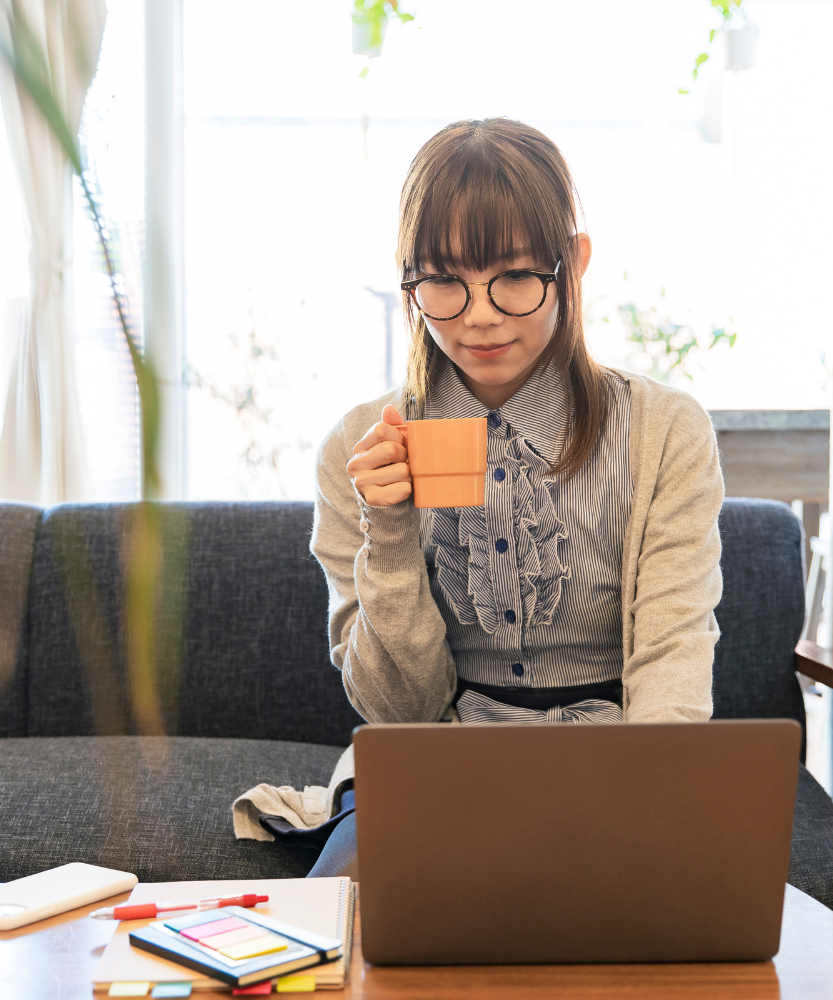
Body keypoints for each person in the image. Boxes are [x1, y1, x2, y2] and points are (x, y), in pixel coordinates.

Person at [306, 118, 724, 878]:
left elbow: (673, 654)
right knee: (352, 926)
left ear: (574, 264)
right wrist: (390, 533)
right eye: (443, 280)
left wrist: (661, 804)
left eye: (515, 276)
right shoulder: (359, 447)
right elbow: (395, 712)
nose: (478, 314)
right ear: (409, 281)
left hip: (618, 759)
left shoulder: (665, 432)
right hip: (432, 762)